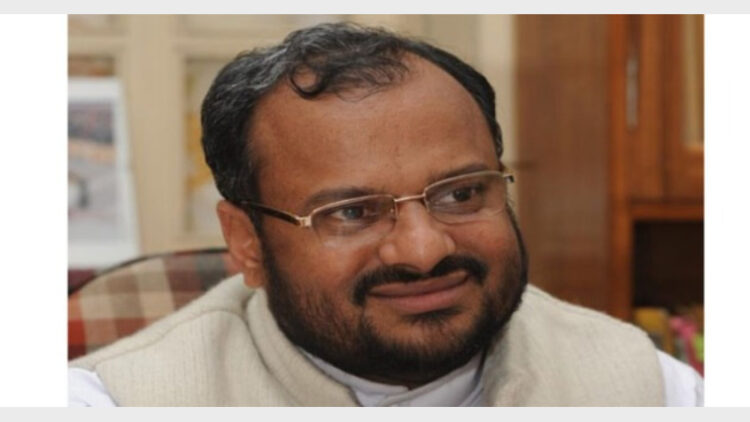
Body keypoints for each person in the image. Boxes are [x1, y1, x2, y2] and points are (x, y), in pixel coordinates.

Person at [69, 22, 703, 406]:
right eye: (352, 212)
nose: (424, 251)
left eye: (460, 194)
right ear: (247, 243)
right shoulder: (113, 401)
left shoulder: (649, 387)